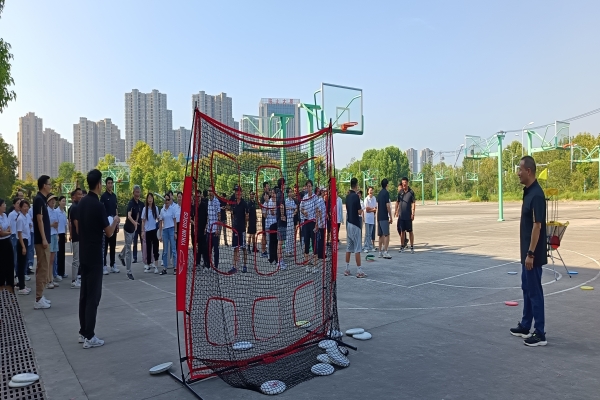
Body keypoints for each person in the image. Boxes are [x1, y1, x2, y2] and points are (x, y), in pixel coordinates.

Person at [78, 169, 120, 349]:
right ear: (98, 184)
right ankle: (90, 335)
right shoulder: (98, 205)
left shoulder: (81, 203)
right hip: (95, 255)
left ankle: (83, 331)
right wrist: (115, 220)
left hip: (84, 253)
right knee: (93, 296)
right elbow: (109, 232)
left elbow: (78, 228)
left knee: (84, 294)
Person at [510, 156, 548, 347]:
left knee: (534, 292)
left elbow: (537, 226)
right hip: (526, 254)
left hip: (532, 255)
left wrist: (531, 253)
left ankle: (540, 333)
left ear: (529, 171)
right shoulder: (528, 192)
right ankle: (526, 325)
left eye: (520, 169)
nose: (518, 173)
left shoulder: (537, 195)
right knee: (526, 288)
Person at [33, 175, 52, 309]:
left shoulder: (42, 199)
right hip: (41, 241)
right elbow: (39, 220)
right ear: (44, 186)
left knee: (43, 268)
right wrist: (44, 238)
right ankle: (38, 299)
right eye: (49, 184)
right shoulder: (39, 199)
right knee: (43, 269)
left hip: (43, 239)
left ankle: (41, 295)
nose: (50, 186)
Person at [119, 185, 141, 280]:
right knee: (129, 249)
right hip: (128, 228)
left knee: (128, 244)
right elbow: (129, 215)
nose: (137, 194)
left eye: (138, 192)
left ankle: (121, 255)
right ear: (133, 193)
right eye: (136, 192)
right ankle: (129, 271)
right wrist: (134, 223)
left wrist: (136, 223)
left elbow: (138, 213)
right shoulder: (131, 203)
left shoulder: (138, 203)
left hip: (133, 229)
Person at [344, 178, 365, 278]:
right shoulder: (356, 197)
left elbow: (348, 209)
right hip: (355, 224)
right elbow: (359, 211)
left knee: (349, 247)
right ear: (356, 185)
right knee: (357, 248)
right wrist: (362, 210)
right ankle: (359, 270)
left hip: (349, 223)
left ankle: (347, 269)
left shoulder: (347, 196)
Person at [101, 177, 119, 274]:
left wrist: (117, 223)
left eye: (111, 183)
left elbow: (116, 210)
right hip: (106, 225)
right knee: (105, 246)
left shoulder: (114, 196)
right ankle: (104, 266)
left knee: (113, 245)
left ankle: (113, 264)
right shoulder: (103, 197)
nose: (110, 185)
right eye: (108, 183)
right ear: (106, 184)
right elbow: (101, 211)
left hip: (113, 224)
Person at [300, 180, 318, 272]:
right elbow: (301, 208)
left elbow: (317, 211)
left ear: (312, 187)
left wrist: (317, 224)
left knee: (314, 244)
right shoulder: (304, 197)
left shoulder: (315, 197)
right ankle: (307, 265)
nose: (309, 188)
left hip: (313, 222)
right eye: (307, 186)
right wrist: (304, 212)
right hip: (306, 222)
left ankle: (315, 266)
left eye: (310, 186)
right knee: (306, 243)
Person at [395, 178, 416, 254]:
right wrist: (396, 211)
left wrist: (413, 213)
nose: (404, 184)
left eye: (405, 183)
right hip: (401, 216)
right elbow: (397, 202)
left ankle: (412, 247)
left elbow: (413, 203)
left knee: (410, 231)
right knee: (402, 231)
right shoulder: (400, 192)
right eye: (403, 183)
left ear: (407, 183)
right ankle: (402, 246)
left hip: (408, 216)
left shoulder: (411, 192)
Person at [16, 200, 32, 295]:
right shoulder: (20, 218)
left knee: (24, 264)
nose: (26, 208)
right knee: (21, 265)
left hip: (26, 241)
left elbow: (30, 226)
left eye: (27, 206)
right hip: (21, 242)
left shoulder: (27, 216)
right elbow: (20, 234)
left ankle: (23, 285)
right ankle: (21, 287)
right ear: (20, 208)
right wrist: (23, 247)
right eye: (24, 206)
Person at [230, 188, 248, 273]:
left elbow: (247, 216)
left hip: (242, 229)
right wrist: (233, 225)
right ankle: (234, 266)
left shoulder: (244, 203)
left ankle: (245, 265)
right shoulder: (233, 203)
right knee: (235, 248)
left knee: (243, 248)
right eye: (236, 192)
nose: (237, 193)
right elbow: (233, 215)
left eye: (239, 192)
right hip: (235, 229)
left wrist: (244, 225)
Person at [158, 193, 177, 275]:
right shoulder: (162, 210)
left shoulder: (172, 209)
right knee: (165, 251)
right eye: (165, 199)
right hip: (165, 230)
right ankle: (165, 268)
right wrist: (160, 234)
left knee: (173, 249)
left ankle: (175, 267)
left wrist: (175, 232)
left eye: (168, 199)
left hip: (172, 229)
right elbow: (160, 222)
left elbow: (175, 221)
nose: (167, 201)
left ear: (170, 200)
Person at [142, 193, 160, 274]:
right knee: (148, 249)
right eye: (148, 198)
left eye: (151, 198)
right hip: (147, 231)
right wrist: (143, 231)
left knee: (155, 249)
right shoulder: (144, 209)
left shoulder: (155, 208)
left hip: (154, 231)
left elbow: (158, 219)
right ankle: (148, 265)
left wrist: (160, 229)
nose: (150, 199)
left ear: (153, 199)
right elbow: (143, 221)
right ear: (147, 199)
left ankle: (156, 266)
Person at [68, 188, 83, 288]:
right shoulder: (74, 207)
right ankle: (74, 280)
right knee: (76, 259)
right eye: (78, 194)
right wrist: (78, 234)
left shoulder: (78, 206)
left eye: (81, 194)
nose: (80, 196)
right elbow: (75, 222)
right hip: (77, 237)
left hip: (79, 237)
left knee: (79, 259)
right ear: (74, 197)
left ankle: (77, 277)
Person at [0, 199, 15, 292]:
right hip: (1, 243)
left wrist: (6, 232)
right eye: (3, 204)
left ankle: (10, 284)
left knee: (10, 263)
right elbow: (1, 233)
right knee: (2, 264)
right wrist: (7, 232)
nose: (5, 206)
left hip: (7, 241)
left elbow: (9, 228)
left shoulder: (5, 215)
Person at [376, 178, 393, 259]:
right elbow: (387, 205)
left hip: (379, 216)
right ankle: (385, 251)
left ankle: (380, 252)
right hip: (384, 216)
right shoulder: (386, 193)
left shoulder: (379, 194)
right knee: (386, 234)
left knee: (381, 235)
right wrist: (390, 216)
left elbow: (378, 206)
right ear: (387, 185)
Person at [46, 194, 60, 288]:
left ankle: (51, 278)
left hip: (54, 235)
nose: (53, 201)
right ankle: (48, 280)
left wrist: (57, 233)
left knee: (52, 259)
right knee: (48, 259)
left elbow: (57, 223)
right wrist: (51, 225)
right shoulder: (46, 211)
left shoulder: (55, 211)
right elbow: (44, 224)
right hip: (49, 235)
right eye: (51, 200)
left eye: (54, 200)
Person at [206, 189, 221, 270]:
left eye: (211, 191)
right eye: (209, 191)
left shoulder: (216, 202)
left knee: (216, 249)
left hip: (215, 230)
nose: (210, 192)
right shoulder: (208, 202)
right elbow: (208, 216)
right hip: (209, 229)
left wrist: (218, 228)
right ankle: (208, 265)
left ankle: (216, 266)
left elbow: (219, 215)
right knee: (208, 249)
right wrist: (206, 227)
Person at [275, 178, 288, 269]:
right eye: (284, 184)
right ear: (282, 185)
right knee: (280, 242)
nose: (285, 186)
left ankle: (280, 260)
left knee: (280, 242)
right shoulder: (280, 195)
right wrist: (283, 215)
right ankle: (280, 261)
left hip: (279, 221)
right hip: (281, 222)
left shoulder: (279, 194)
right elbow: (282, 206)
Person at [9, 198, 21, 280]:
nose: (19, 205)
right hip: (13, 236)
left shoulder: (21, 214)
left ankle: (20, 273)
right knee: (15, 257)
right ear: (14, 205)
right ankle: (15, 274)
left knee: (20, 256)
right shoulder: (11, 214)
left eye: (20, 203)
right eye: (17, 203)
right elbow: (9, 225)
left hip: (20, 236)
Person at [56, 196, 68, 278]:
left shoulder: (64, 212)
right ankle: (57, 272)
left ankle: (62, 272)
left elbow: (65, 225)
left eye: (65, 201)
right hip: (58, 234)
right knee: (58, 254)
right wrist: (57, 235)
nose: (64, 202)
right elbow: (56, 224)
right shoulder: (56, 212)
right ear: (59, 202)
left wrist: (66, 235)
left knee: (62, 254)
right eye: (62, 201)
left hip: (63, 234)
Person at [315, 187, 327, 265]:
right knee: (320, 238)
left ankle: (322, 253)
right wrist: (321, 221)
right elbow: (318, 212)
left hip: (322, 222)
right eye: (324, 191)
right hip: (321, 223)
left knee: (322, 238)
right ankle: (320, 254)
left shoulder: (322, 200)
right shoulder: (320, 200)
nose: (325, 193)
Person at [363, 186, 377, 253]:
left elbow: (375, 208)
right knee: (367, 234)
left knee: (370, 233)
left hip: (372, 218)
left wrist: (372, 209)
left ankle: (370, 246)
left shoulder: (374, 198)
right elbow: (367, 210)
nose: (371, 191)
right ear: (368, 191)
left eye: (372, 190)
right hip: (367, 218)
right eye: (370, 190)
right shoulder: (366, 199)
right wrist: (372, 209)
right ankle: (365, 247)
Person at [285, 188, 296, 256]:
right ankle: (287, 251)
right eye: (290, 192)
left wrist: (294, 211)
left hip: (292, 218)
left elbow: (295, 207)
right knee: (288, 235)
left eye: (291, 192)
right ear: (287, 193)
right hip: (288, 219)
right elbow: (286, 208)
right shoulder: (286, 200)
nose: (291, 193)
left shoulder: (293, 200)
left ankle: (291, 250)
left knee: (292, 235)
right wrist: (292, 208)